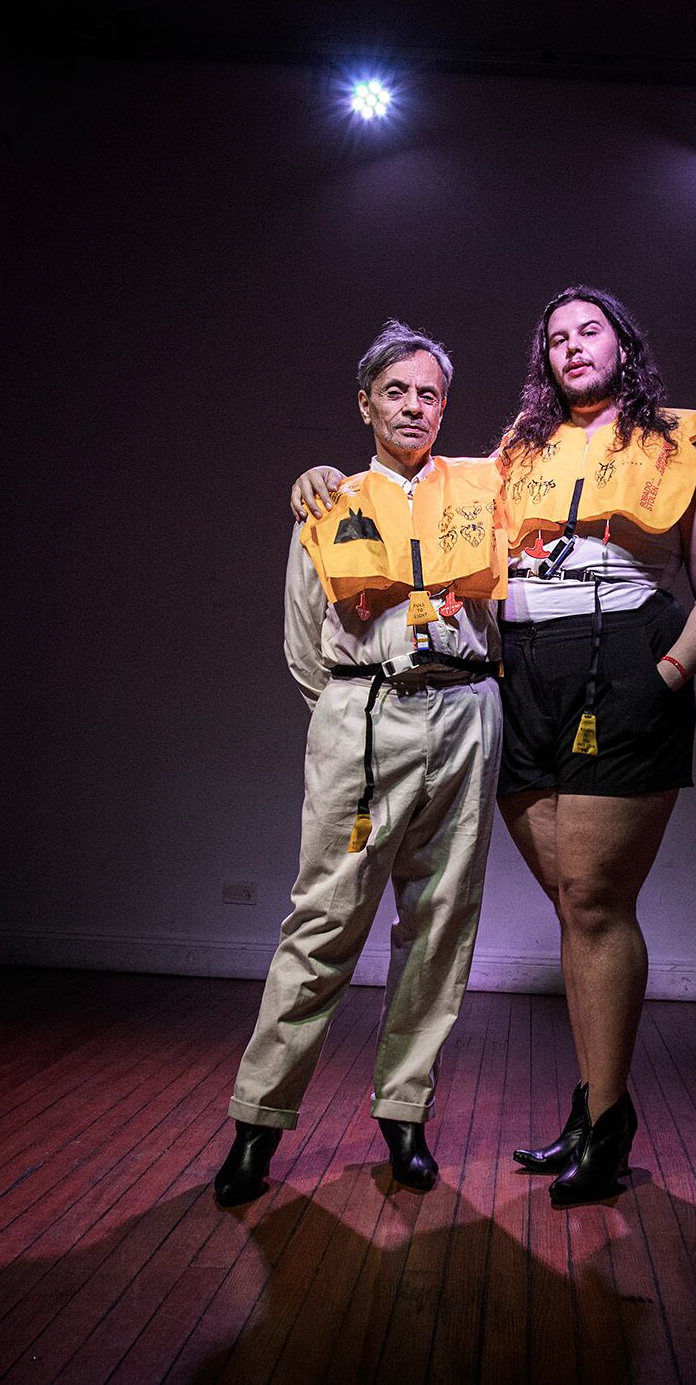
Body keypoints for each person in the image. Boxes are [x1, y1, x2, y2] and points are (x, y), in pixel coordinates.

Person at [288, 287, 696, 1205]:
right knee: (575, 902)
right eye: (557, 336)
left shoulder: (676, 454)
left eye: (591, 330)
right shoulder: (513, 454)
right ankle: (595, 1104)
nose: (573, 346)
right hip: (525, 676)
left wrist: (664, 674)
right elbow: (415, 490)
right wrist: (324, 476)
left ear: (623, 346)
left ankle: (606, 1124)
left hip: (623, 666)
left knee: (597, 900)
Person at [213, 320, 508, 1207]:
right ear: (365, 404)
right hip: (366, 717)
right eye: (396, 391)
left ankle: (405, 1114)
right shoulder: (329, 502)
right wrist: (358, 710)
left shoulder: (479, 494)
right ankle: (258, 1122)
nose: (413, 405)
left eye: (429, 393)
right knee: (324, 920)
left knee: (441, 922)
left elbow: (500, 616)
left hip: (465, 713)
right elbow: (304, 648)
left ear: (444, 407)